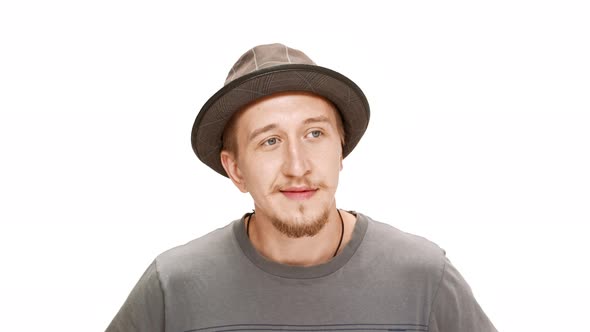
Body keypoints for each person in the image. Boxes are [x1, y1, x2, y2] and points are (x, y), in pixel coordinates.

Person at [106, 43, 497, 332]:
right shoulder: (173, 286)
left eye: (314, 133)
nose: (298, 166)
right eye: (269, 141)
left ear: (340, 148)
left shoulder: (424, 277)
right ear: (235, 169)